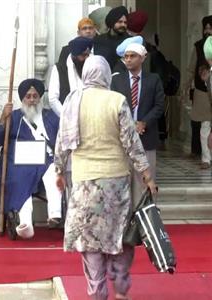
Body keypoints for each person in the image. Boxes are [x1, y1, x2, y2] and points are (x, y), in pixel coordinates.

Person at [54, 55, 157, 300]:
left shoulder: (73, 101)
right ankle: (121, 288)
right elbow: (132, 143)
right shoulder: (117, 100)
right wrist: (146, 175)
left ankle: (97, 292)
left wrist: (59, 170)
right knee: (118, 236)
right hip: (115, 182)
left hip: (83, 183)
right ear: (107, 75)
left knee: (90, 241)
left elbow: (61, 142)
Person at [0, 79, 61, 239]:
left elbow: (61, 139)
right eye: (28, 96)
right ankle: (25, 223)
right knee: (20, 175)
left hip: (46, 159)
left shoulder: (50, 116)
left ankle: (55, 214)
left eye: (35, 96)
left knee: (54, 170)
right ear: (22, 98)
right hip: (19, 161)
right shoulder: (14, 116)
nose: (31, 100)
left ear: (40, 98)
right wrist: (3, 117)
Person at [111, 43, 164, 208]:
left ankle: (145, 223)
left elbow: (159, 105)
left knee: (145, 183)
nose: (128, 60)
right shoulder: (116, 80)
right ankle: (126, 225)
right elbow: (113, 106)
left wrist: (144, 122)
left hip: (146, 139)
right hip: (123, 140)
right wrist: (128, 124)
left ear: (142, 58)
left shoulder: (153, 79)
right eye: (126, 56)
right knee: (123, 184)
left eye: (132, 56)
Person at [183, 15, 212, 167]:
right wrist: (185, 87)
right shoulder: (198, 46)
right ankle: (206, 158)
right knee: (205, 125)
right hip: (202, 92)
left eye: (210, 28)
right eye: (205, 28)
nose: (207, 32)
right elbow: (191, 68)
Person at [48, 37, 93, 116]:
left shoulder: (92, 66)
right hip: (67, 118)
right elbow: (53, 99)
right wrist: (67, 117)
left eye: (88, 55)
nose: (86, 58)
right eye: (83, 55)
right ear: (74, 55)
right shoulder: (59, 69)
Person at [93, 6, 130, 70]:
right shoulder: (98, 40)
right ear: (112, 22)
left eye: (125, 22)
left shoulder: (130, 41)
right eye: (120, 22)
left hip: (122, 78)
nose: (123, 25)